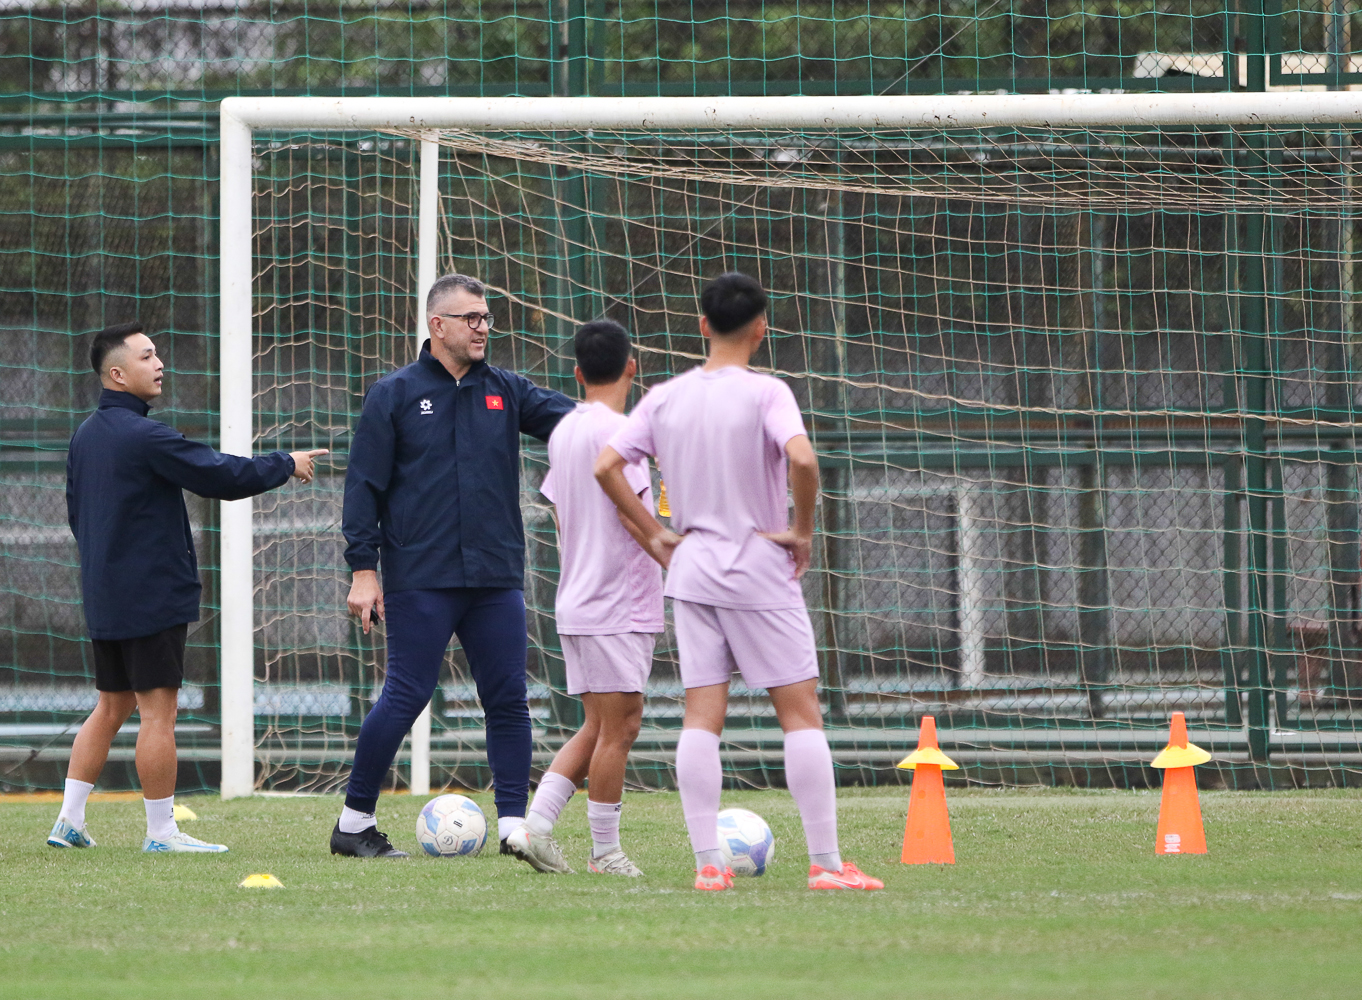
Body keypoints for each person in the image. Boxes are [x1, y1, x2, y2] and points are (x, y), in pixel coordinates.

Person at [594, 273, 884, 892]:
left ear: (702, 325)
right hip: (757, 567)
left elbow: (606, 465)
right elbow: (803, 459)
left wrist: (657, 533)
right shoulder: (767, 392)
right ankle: (827, 866)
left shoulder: (666, 396)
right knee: (800, 716)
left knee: (702, 717)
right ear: (761, 328)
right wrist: (801, 531)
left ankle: (708, 865)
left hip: (692, 568)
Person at [50, 322, 326, 853]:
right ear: (116, 373)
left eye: (157, 355)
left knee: (110, 707)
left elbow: (74, 513)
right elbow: (219, 475)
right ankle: (161, 834)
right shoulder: (146, 436)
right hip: (150, 595)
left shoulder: (86, 434)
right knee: (159, 713)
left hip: (105, 594)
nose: (159, 364)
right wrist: (285, 464)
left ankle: (69, 820)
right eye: (147, 356)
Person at [335, 273, 574, 858]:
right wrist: (363, 570)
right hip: (422, 575)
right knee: (405, 695)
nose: (483, 327)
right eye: (471, 318)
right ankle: (352, 825)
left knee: (509, 699)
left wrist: (649, 426)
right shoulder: (392, 394)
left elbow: (580, 426)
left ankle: (516, 828)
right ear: (436, 325)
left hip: (495, 576)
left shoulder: (507, 390)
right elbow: (363, 487)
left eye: (487, 318)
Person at [506, 320, 663, 877]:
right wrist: (677, 558)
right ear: (632, 366)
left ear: (576, 372)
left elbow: (562, 501)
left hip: (576, 598)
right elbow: (630, 511)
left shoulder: (566, 430)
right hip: (616, 601)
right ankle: (606, 853)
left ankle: (535, 830)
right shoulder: (623, 433)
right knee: (621, 727)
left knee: (597, 726)